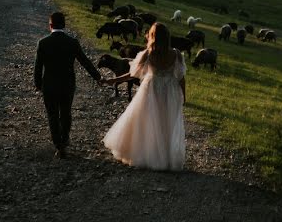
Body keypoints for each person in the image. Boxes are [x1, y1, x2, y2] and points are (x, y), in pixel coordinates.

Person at [101, 22, 186, 171]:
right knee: (166, 122)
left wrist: (113, 80)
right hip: (170, 91)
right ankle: (165, 158)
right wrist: (183, 95)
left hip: (152, 89)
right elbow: (181, 78)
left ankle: (147, 153)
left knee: (147, 121)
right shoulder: (176, 54)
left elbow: (132, 74)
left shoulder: (148, 53)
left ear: (152, 36)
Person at [34, 11, 102, 158]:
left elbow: (38, 67)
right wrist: (97, 77)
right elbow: (85, 62)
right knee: (66, 113)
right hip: (67, 84)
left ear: (50, 25)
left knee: (52, 115)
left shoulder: (43, 43)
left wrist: (38, 84)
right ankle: (64, 141)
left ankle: (58, 145)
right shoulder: (72, 43)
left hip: (49, 85)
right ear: (64, 25)